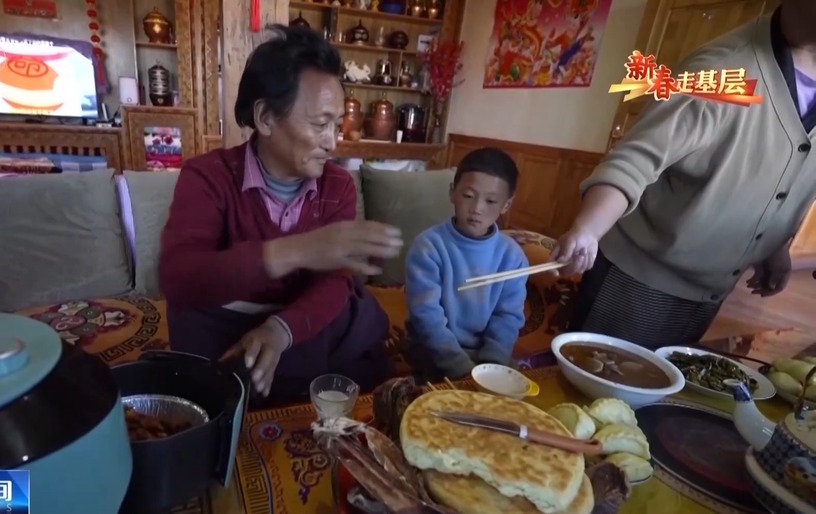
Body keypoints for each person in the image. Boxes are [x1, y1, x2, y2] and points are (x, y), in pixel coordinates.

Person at [158, 24, 403, 406]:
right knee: (215, 381)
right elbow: (179, 278)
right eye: (320, 124)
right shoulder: (208, 176)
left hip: (299, 321)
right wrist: (300, 250)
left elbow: (334, 281)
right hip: (224, 319)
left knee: (352, 316)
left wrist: (280, 329)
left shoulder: (337, 185)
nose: (333, 142)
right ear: (266, 117)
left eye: (337, 124)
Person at [551, 0, 816, 348]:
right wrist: (587, 230)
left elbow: (788, 175)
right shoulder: (723, 68)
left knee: (663, 377)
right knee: (597, 376)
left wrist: (774, 245)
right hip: (639, 282)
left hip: (711, 291)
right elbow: (635, 160)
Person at [404, 148, 528, 380]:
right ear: (452, 192)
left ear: (506, 205)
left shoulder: (512, 256)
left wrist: (492, 366)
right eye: (469, 196)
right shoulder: (428, 246)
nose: (477, 208)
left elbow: (507, 317)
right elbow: (426, 315)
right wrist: (462, 370)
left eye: (491, 201)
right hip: (433, 350)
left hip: (485, 357)